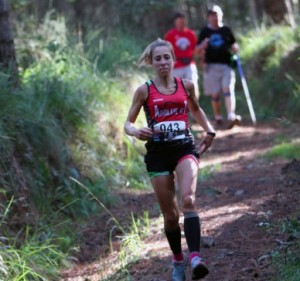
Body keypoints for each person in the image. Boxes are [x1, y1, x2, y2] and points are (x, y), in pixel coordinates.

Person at [124, 39, 215, 281]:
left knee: (188, 199)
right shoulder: (144, 90)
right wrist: (136, 132)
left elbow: (195, 110)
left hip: (184, 147)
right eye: (158, 59)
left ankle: (195, 258)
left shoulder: (186, 85)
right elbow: (128, 123)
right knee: (171, 216)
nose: (163, 62)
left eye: (167, 57)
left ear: (174, 60)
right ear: (152, 63)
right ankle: (177, 261)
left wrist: (209, 129)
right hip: (158, 155)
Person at [197, 5, 241, 129]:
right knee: (215, 94)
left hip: (226, 65)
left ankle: (231, 115)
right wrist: (202, 46)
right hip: (210, 66)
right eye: (211, 15)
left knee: (227, 88)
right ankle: (218, 118)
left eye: (216, 14)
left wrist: (235, 48)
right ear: (208, 17)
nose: (214, 17)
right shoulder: (205, 31)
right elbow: (197, 51)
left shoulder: (226, 30)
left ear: (220, 15)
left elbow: (233, 44)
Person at [165, 12, 199, 100]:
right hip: (176, 65)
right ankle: (180, 109)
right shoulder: (170, 35)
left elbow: (195, 49)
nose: (182, 24)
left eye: (183, 22)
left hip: (189, 64)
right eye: (180, 22)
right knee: (177, 89)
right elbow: (165, 51)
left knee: (192, 85)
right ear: (175, 23)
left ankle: (194, 108)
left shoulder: (190, 34)